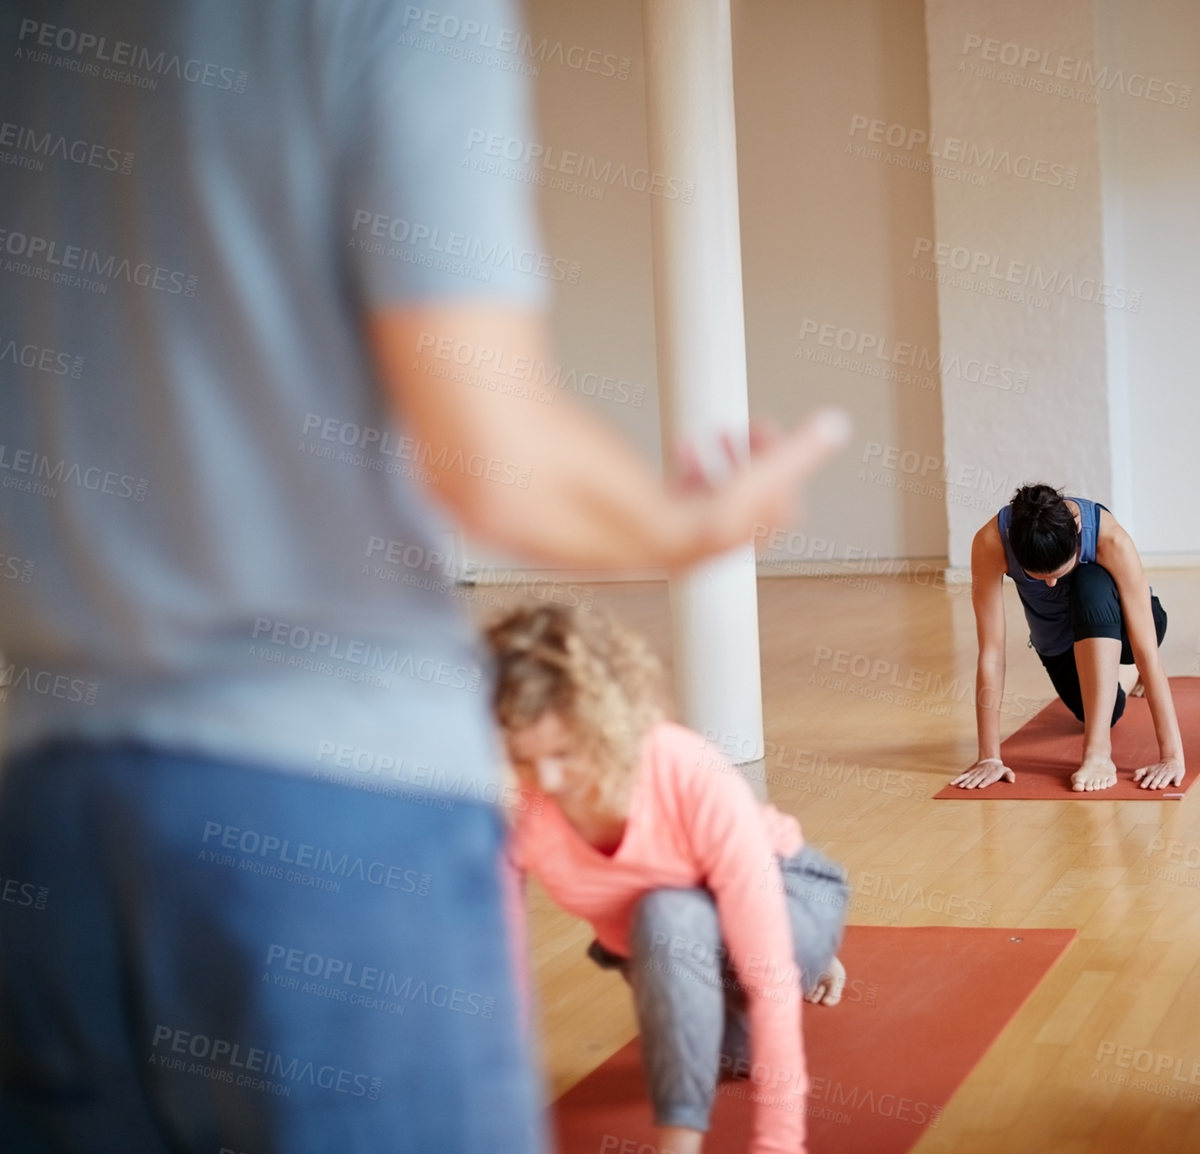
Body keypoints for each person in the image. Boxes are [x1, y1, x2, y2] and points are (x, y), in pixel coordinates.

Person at [0, 3, 843, 1150]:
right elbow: (493, 456)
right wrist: (696, 520)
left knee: (684, 926)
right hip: (331, 796)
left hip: (53, 805)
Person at [490, 604, 848, 1154]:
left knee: (667, 908)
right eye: (525, 759)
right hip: (671, 947)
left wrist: (778, 1144)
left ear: (604, 722)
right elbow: (502, 977)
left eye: (565, 753)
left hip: (783, 889)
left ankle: (818, 954)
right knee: (729, 1057)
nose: (549, 780)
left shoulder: (686, 770)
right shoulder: (521, 810)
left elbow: (769, 974)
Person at [950, 484, 1185, 793]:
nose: (1051, 584)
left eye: (1060, 572)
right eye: (1039, 577)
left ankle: (1098, 752)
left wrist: (1171, 756)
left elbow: (1147, 653)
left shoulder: (1110, 539)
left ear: (1076, 535)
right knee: (1103, 712)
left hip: (1128, 627)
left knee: (1089, 581)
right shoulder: (990, 542)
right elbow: (992, 652)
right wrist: (989, 757)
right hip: (1061, 640)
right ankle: (1122, 677)